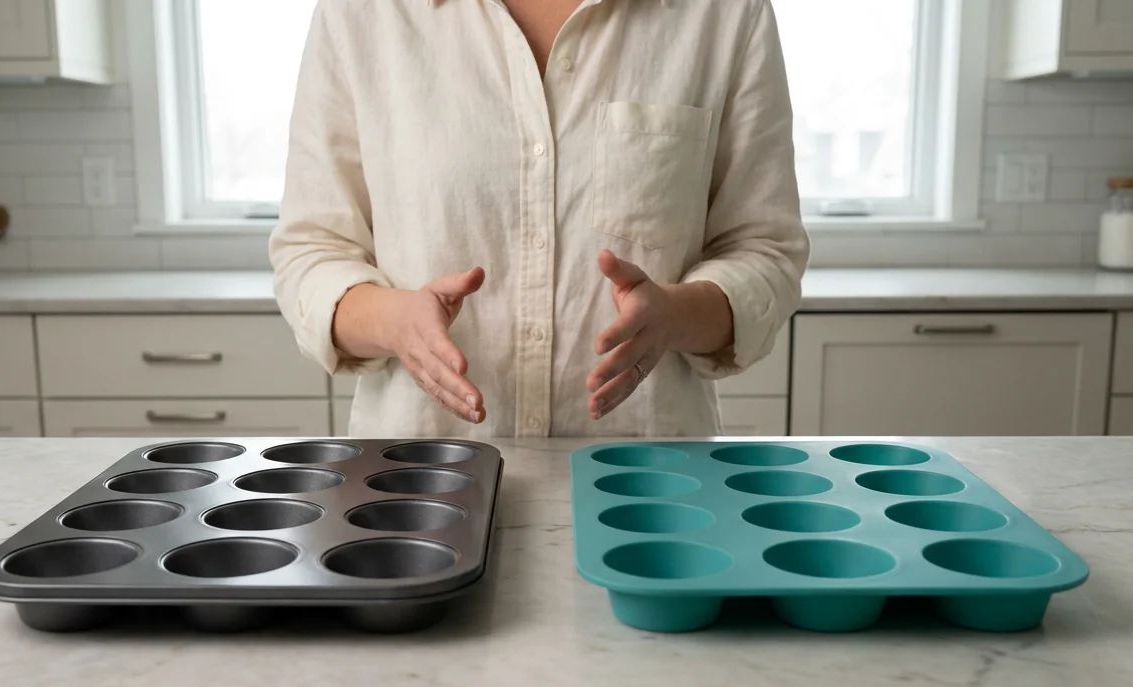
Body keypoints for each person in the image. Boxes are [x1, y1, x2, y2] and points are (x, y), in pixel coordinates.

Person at [271, 0, 809, 439]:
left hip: (650, 488)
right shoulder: (359, 13)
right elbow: (312, 250)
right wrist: (394, 322)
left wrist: (675, 315)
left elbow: (764, 249)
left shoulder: (726, 14)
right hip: (417, 481)